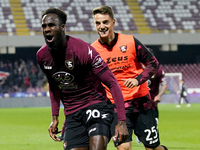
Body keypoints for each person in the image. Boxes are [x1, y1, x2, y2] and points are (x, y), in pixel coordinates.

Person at [36, 7, 128, 150]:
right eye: (44, 26)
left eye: (51, 25)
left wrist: (122, 121)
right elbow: (54, 86)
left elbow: (112, 82)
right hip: (73, 114)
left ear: (62, 27)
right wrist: (55, 117)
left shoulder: (83, 50)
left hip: (96, 105)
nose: (47, 29)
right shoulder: (42, 56)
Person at [91, 5, 168, 150]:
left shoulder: (130, 41)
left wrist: (138, 79)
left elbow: (153, 63)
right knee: (124, 147)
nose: (102, 26)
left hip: (142, 103)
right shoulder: (93, 50)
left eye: (105, 22)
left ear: (113, 22)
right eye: (98, 23)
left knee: (152, 148)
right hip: (116, 107)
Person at [146, 48, 167, 120]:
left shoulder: (158, 70)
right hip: (138, 105)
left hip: (152, 104)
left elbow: (164, 85)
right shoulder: (136, 68)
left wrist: (159, 95)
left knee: (153, 129)